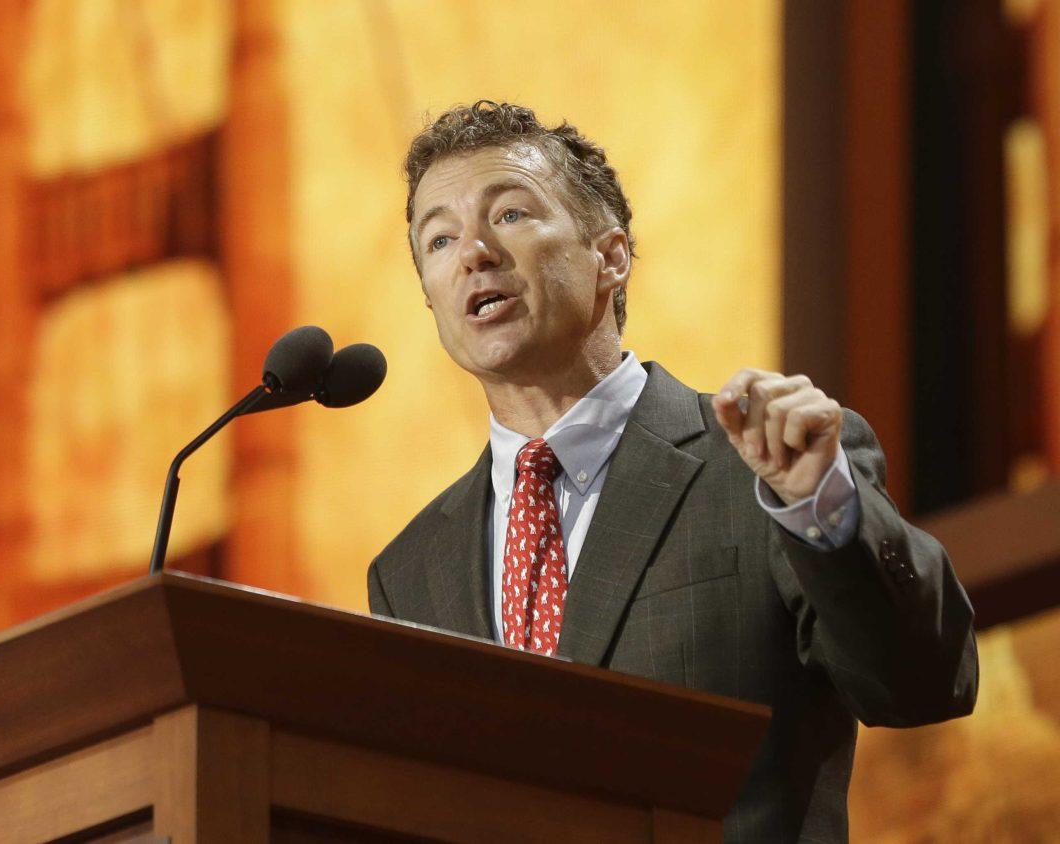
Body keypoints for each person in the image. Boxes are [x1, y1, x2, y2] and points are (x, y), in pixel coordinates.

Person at [367, 101, 977, 842]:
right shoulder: (409, 571)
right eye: (439, 238)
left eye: (512, 215)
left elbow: (922, 681)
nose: (474, 252)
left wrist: (821, 505)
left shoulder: (766, 470)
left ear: (611, 255)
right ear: (429, 294)